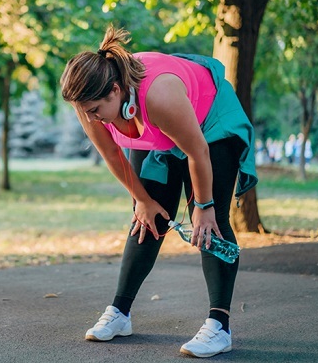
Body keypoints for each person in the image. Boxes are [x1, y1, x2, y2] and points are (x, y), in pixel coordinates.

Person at [60, 25, 258, 358]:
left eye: (95, 109)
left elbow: (198, 153)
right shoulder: (89, 102)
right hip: (158, 132)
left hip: (210, 128)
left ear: (115, 90)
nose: (92, 118)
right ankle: (120, 313)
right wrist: (142, 200)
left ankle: (219, 326)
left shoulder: (159, 95)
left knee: (211, 224)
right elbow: (111, 154)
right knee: (146, 219)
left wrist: (204, 206)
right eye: (85, 111)